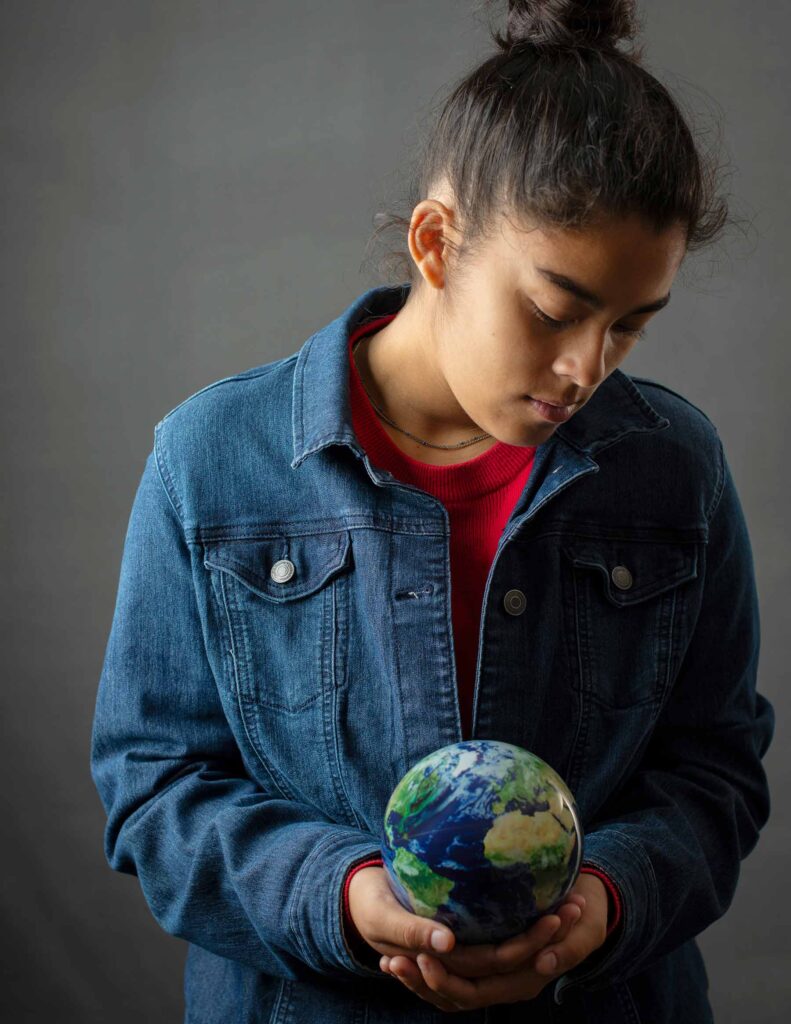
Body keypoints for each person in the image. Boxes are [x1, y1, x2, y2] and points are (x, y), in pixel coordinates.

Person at [90, 1, 775, 1021]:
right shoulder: (210, 463)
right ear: (435, 242)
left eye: (629, 325)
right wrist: (339, 896)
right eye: (553, 311)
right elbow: (153, 792)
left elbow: (714, 773)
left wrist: (602, 901)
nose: (584, 367)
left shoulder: (675, 469)